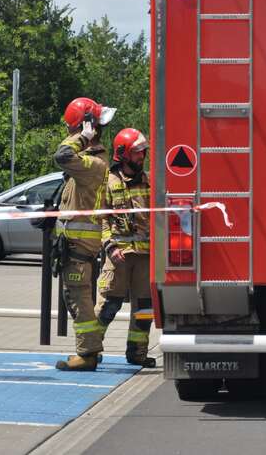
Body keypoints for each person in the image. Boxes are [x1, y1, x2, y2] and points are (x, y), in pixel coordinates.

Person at [53, 97, 116, 371]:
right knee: (81, 297)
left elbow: (62, 155)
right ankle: (89, 348)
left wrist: (81, 136)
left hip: (79, 245)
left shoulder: (91, 163)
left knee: (78, 298)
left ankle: (87, 353)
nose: (69, 134)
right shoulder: (93, 162)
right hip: (79, 244)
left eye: (73, 129)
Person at [95, 128, 156, 368]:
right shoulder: (108, 183)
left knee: (144, 310)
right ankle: (91, 350)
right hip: (118, 255)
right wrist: (110, 246)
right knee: (109, 304)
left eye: (143, 152)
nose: (142, 157)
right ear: (124, 154)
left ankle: (137, 354)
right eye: (137, 153)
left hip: (145, 256)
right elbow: (102, 218)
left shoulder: (150, 181)